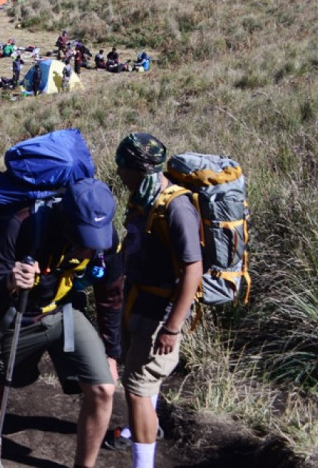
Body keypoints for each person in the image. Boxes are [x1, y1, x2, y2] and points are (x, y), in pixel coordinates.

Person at [0, 178, 121, 468]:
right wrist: (10, 281)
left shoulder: (106, 238)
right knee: (1, 381)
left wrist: (112, 351)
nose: (88, 249)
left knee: (104, 388)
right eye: (82, 238)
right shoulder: (24, 224)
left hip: (65, 310)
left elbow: (111, 294)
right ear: (66, 221)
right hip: (21, 316)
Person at [109, 133, 202, 466]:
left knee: (136, 389)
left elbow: (193, 269)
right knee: (143, 381)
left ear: (138, 167)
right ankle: (140, 431)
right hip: (138, 301)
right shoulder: (144, 197)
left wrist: (172, 328)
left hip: (159, 314)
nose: (118, 172)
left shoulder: (175, 206)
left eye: (123, 166)